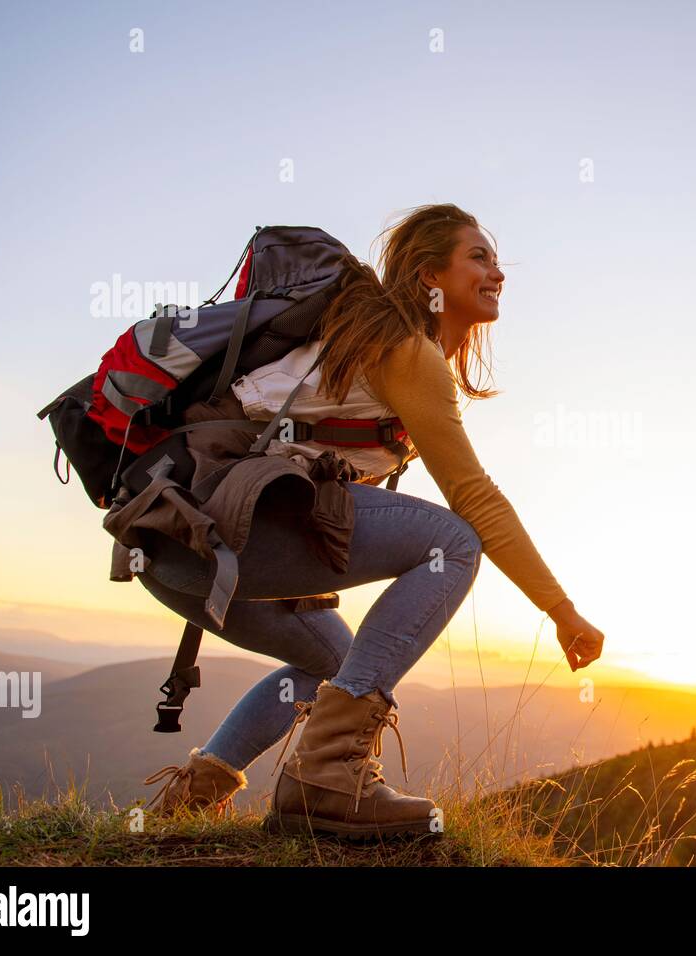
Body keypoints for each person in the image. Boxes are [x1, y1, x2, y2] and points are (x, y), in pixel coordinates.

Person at [138, 204, 606, 838]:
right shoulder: (406, 350)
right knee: (452, 542)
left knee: (336, 663)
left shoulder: (366, 342)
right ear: (426, 277)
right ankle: (327, 775)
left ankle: (190, 801)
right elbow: (475, 498)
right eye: (478, 256)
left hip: (176, 546)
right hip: (225, 531)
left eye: (497, 259)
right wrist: (560, 608)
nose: (498, 271)